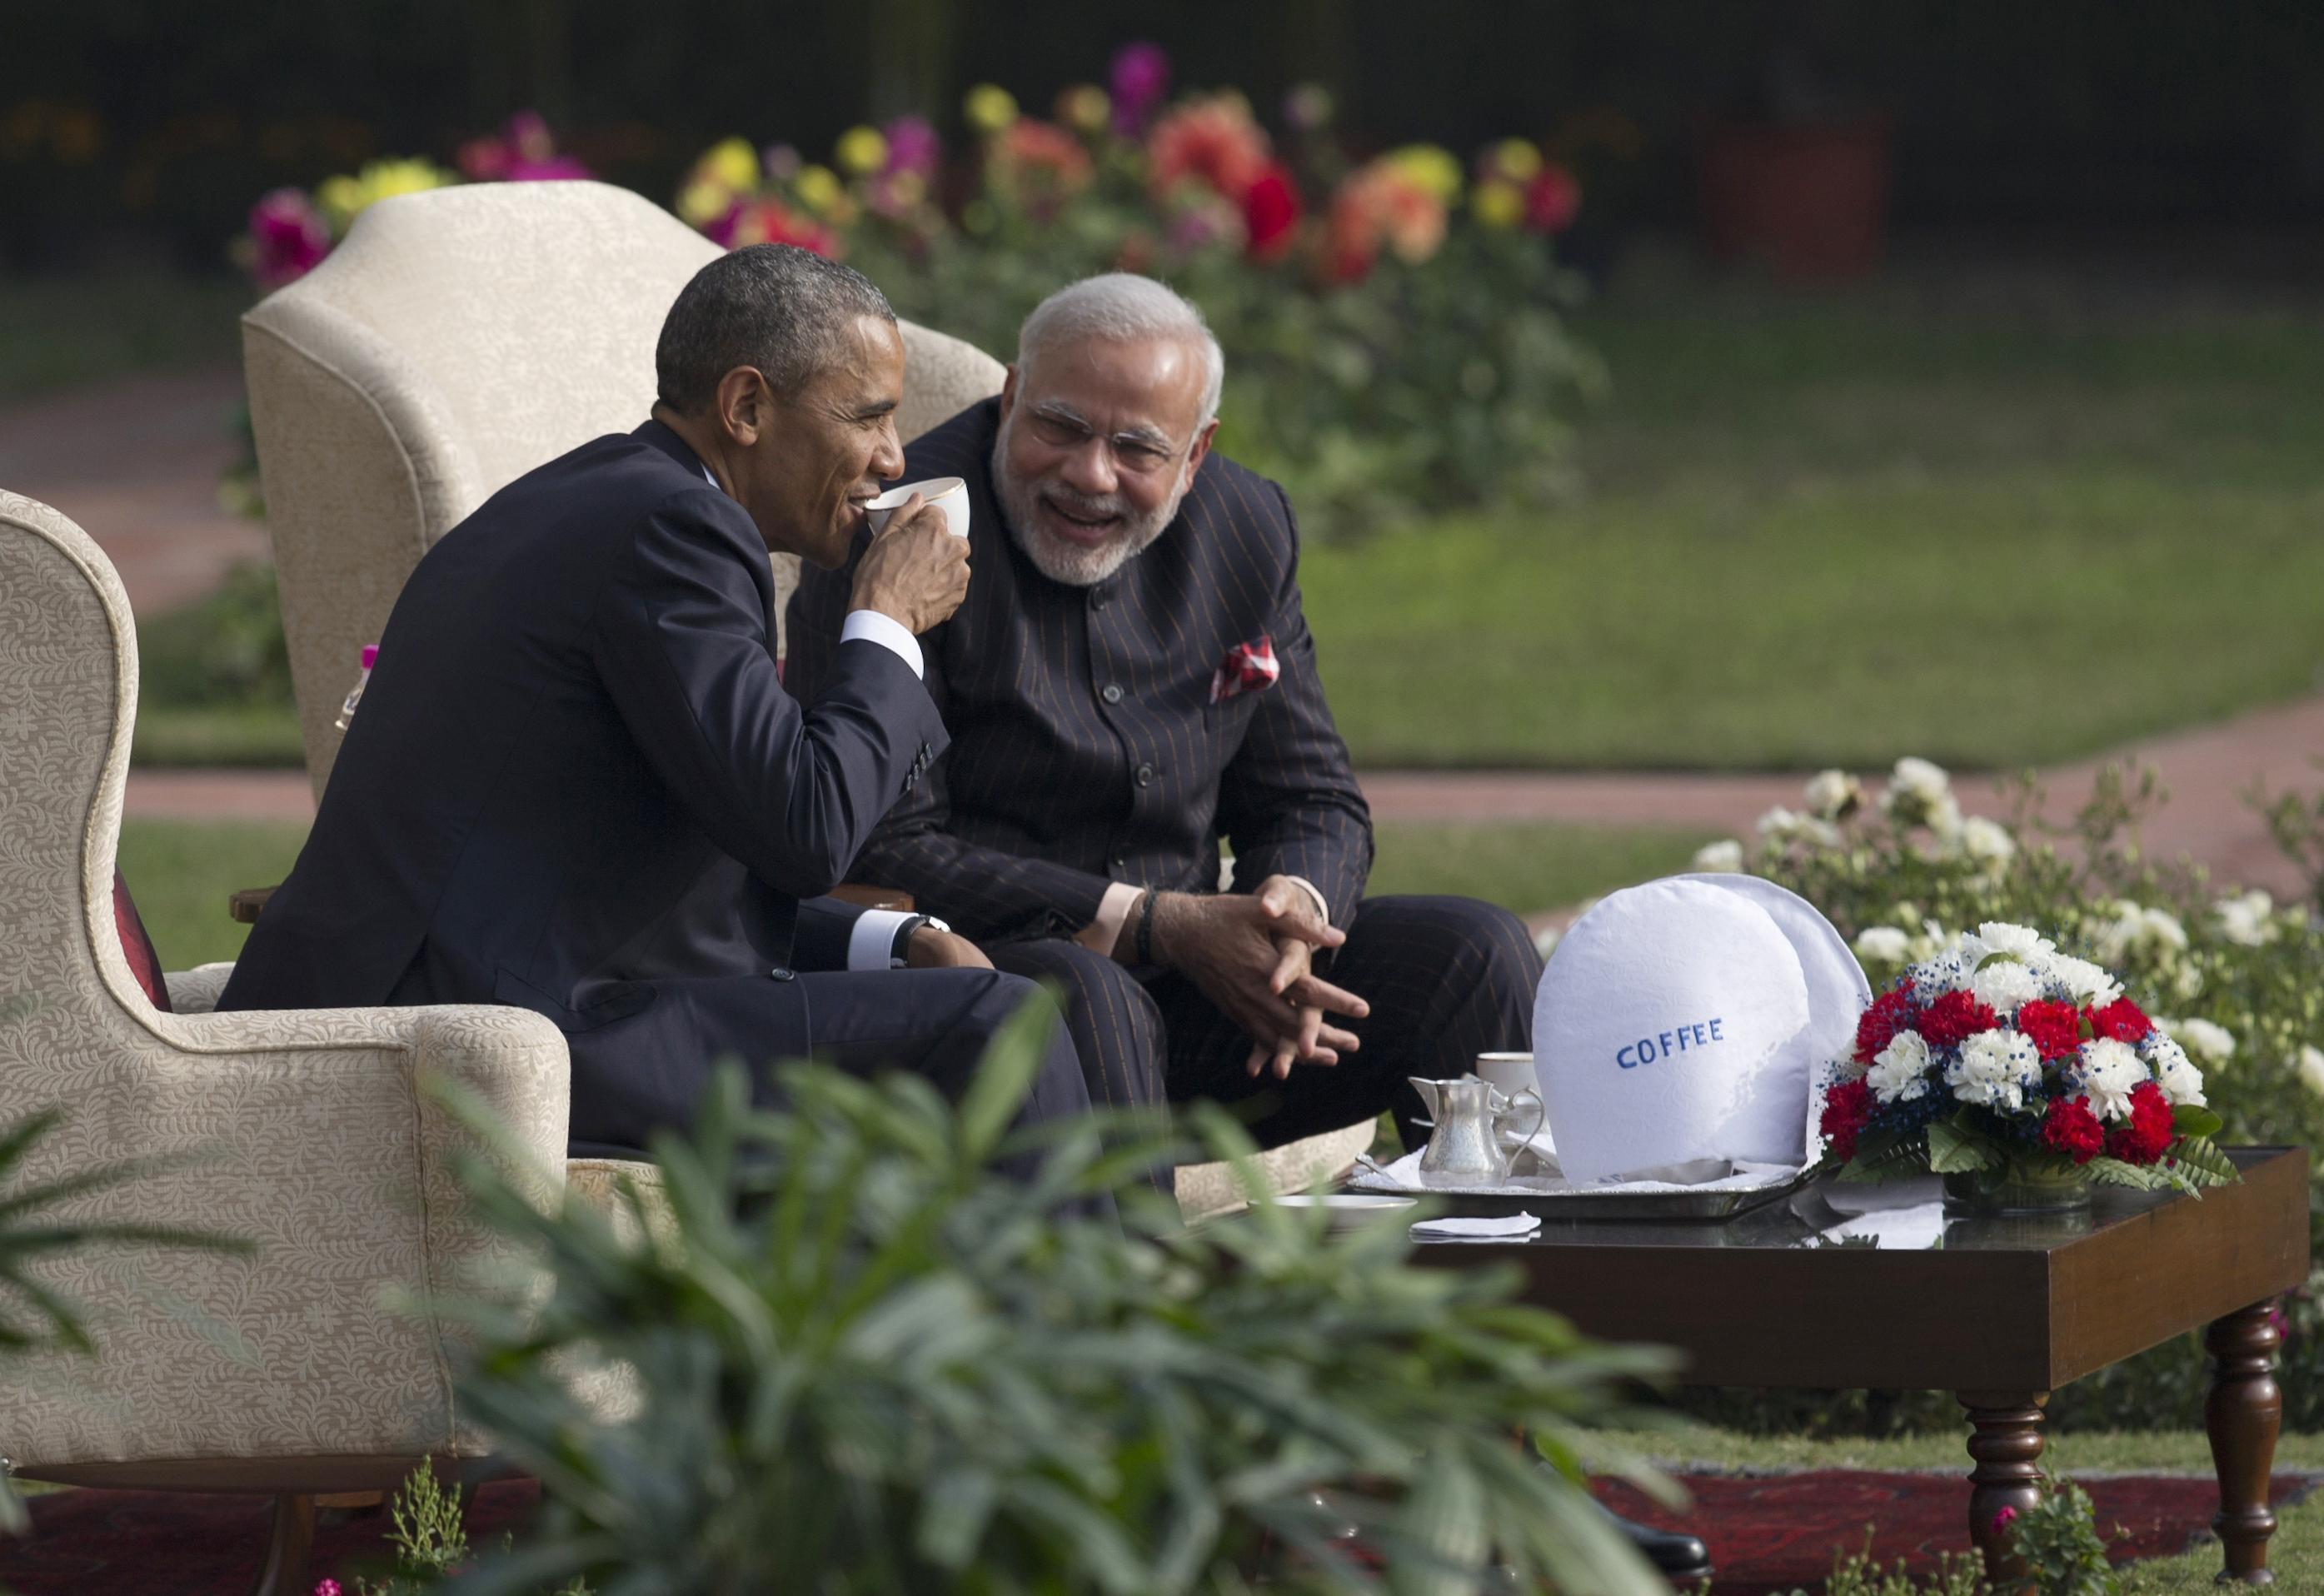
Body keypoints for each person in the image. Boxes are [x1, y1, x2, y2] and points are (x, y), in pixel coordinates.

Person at [219, 244, 1092, 1164]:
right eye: (867, 418)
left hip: (509, 991)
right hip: (489, 1033)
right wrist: (885, 622)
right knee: (998, 1021)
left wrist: (896, 938)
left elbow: (704, 873)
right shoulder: (678, 531)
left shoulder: (605, 499)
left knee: (974, 995)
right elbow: (806, 828)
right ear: (747, 406)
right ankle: (1103, 1309)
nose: (892, 457)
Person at [785, 274, 1542, 1154]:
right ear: (1012, 395)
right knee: (1087, 996)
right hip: (989, 992)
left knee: (1473, 951)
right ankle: (1134, 1292)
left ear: (1195, 453)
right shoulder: (902, 526)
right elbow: (876, 841)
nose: (1090, 474)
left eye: (1137, 448)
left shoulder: (1245, 525)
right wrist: (1157, 922)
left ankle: (1505, 1272)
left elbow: (1310, 798)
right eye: (1060, 427)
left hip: (1212, 1010)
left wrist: (1289, 919)